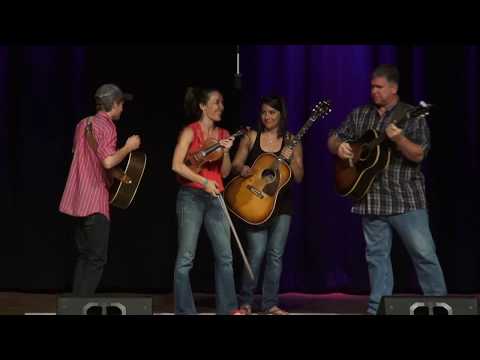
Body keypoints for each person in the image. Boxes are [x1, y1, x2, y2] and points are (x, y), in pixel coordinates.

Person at [327, 64, 447, 314]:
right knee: (376, 259)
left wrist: (399, 139)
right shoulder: (361, 114)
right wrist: (339, 146)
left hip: (405, 200)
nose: (374, 91)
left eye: (379, 87)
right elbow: (334, 137)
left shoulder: (410, 114)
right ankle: (378, 308)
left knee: (423, 255)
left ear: (394, 88)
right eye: (372, 86)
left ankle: (439, 305)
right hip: (370, 200)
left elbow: (418, 154)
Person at [59, 83, 141, 296]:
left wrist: (115, 174)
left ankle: (74, 307)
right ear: (113, 104)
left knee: (85, 256)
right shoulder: (107, 126)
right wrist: (128, 147)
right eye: (121, 104)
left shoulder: (82, 124)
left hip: (77, 201)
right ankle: (79, 305)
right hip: (95, 202)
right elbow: (106, 161)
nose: (122, 108)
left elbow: (84, 157)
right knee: (96, 259)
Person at [171, 86, 244, 315]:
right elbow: (177, 165)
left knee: (225, 257)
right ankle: (185, 311)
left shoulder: (223, 134)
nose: (221, 107)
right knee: (186, 258)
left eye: (222, 102)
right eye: (216, 102)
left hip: (216, 197)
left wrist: (227, 151)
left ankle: (228, 309)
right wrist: (203, 182)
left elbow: (224, 173)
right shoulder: (190, 132)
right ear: (203, 106)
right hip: (191, 196)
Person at [231, 95, 304, 315]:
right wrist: (242, 169)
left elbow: (299, 176)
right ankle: (245, 302)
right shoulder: (252, 137)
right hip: (256, 203)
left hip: (282, 205)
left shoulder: (292, 140)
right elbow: (235, 164)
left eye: (272, 113)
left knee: (275, 254)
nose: (267, 117)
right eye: (264, 112)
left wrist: (291, 160)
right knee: (256, 252)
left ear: (281, 115)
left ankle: (270, 303)